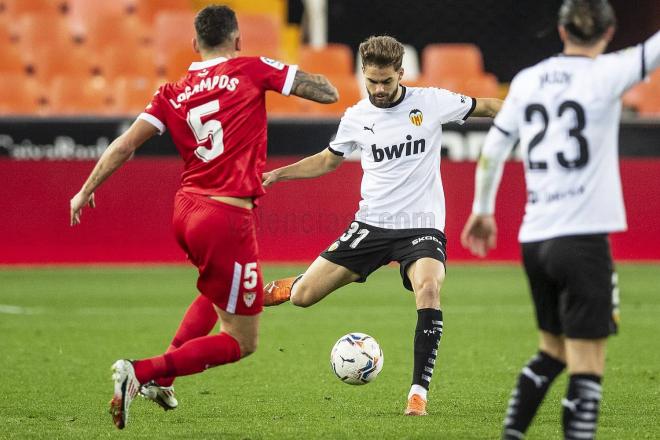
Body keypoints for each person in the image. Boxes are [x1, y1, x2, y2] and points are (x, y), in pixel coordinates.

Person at [69, 5, 338, 430]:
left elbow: (124, 145)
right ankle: (139, 371)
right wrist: (282, 70)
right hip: (226, 216)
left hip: (186, 210)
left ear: (194, 44)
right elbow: (326, 93)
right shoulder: (250, 68)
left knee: (216, 293)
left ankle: (163, 378)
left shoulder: (172, 91)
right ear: (237, 41)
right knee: (242, 340)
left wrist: (86, 189)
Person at [261, 35, 502, 416]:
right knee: (304, 296)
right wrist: (277, 175)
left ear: (401, 74)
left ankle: (417, 394)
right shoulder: (357, 116)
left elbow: (488, 106)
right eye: (371, 81)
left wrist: (531, 115)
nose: (378, 89)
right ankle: (288, 285)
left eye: (386, 81)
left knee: (429, 288)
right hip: (371, 226)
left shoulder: (431, 102)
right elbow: (328, 160)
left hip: (421, 226)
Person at [460, 0, 660, 437]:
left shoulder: (529, 80)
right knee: (588, 366)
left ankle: (511, 433)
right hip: (583, 238)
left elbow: (492, 150)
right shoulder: (608, 72)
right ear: (609, 33)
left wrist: (482, 210)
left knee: (552, 352)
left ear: (560, 29)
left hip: (536, 238)